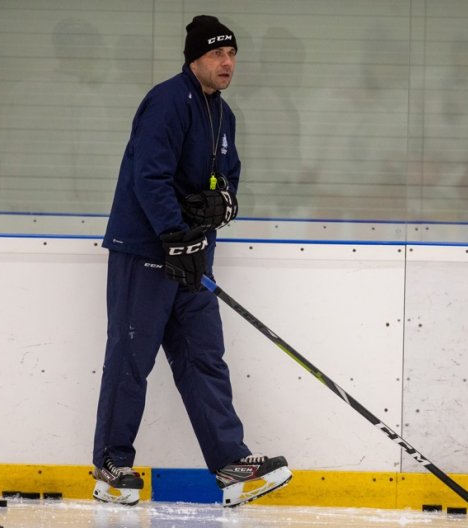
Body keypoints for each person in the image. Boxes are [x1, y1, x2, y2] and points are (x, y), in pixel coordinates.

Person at [91, 15, 291, 507]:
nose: (228, 63)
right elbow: (149, 177)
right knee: (131, 358)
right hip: (146, 252)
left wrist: (223, 205)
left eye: (232, 55)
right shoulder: (166, 102)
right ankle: (111, 467)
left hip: (194, 258)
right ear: (195, 58)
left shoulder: (224, 115)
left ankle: (231, 466)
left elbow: (229, 180)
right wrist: (173, 236)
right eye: (218, 54)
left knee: (204, 357)